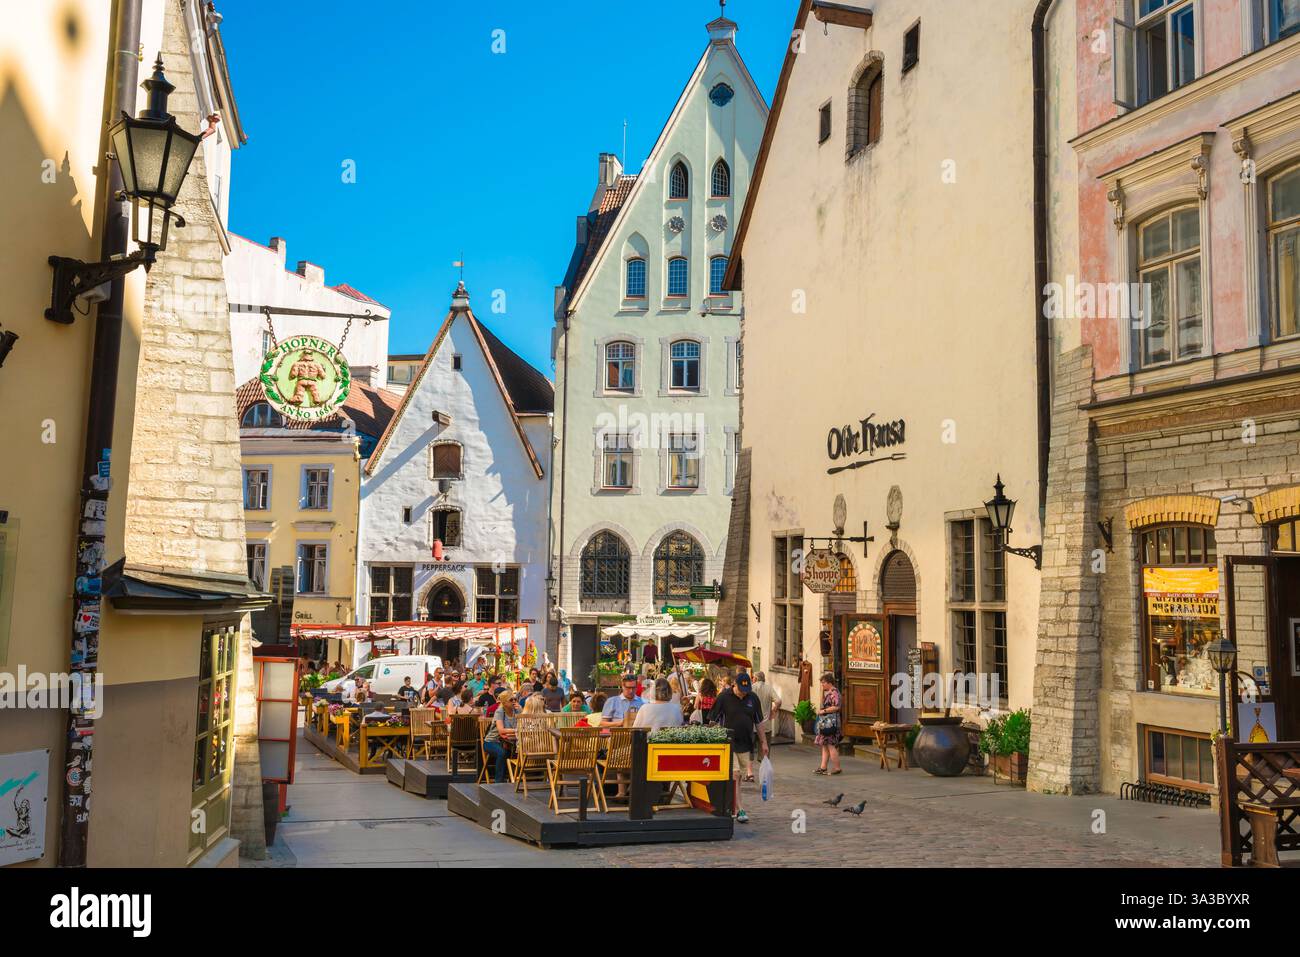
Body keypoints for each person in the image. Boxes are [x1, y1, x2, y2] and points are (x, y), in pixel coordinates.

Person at [709, 672, 767, 824]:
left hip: (745, 743)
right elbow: (712, 720)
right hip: (728, 743)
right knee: (735, 775)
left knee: (738, 778)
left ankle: (731, 806)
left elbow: (759, 722)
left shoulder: (752, 698)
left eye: (746, 691)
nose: (743, 694)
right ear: (734, 684)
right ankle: (740, 809)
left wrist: (764, 742)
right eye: (741, 690)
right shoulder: (723, 697)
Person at [483, 691, 519, 783]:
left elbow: (523, 724)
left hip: (508, 741)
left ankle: (514, 778)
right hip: (491, 741)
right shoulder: (500, 711)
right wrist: (516, 730)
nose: (514, 701)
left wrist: (521, 711)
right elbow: (501, 730)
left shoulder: (517, 710)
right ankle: (498, 781)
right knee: (502, 753)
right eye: (511, 700)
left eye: (515, 699)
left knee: (518, 750)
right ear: (504, 702)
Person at [814, 672, 843, 776]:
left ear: (829, 682)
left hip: (831, 723)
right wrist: (822, 692)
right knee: (825, 745)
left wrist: (824, 711)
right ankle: (823, 767)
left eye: (823, 683)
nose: (822, 684)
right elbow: (822, 703)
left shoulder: (834, 693)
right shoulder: (828, 692)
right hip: (826, 723)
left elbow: (836, 707)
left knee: (830, 745)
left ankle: (837, 767)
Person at [751, 671, 782, 741]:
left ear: (755, 679)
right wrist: (774, 711)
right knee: (764, 750)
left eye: (753, 678)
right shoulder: (769, 688)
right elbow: (778, 701)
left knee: (750, 750)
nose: (752, 679)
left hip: (753, 725)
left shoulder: (751, 688)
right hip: (766, 726)